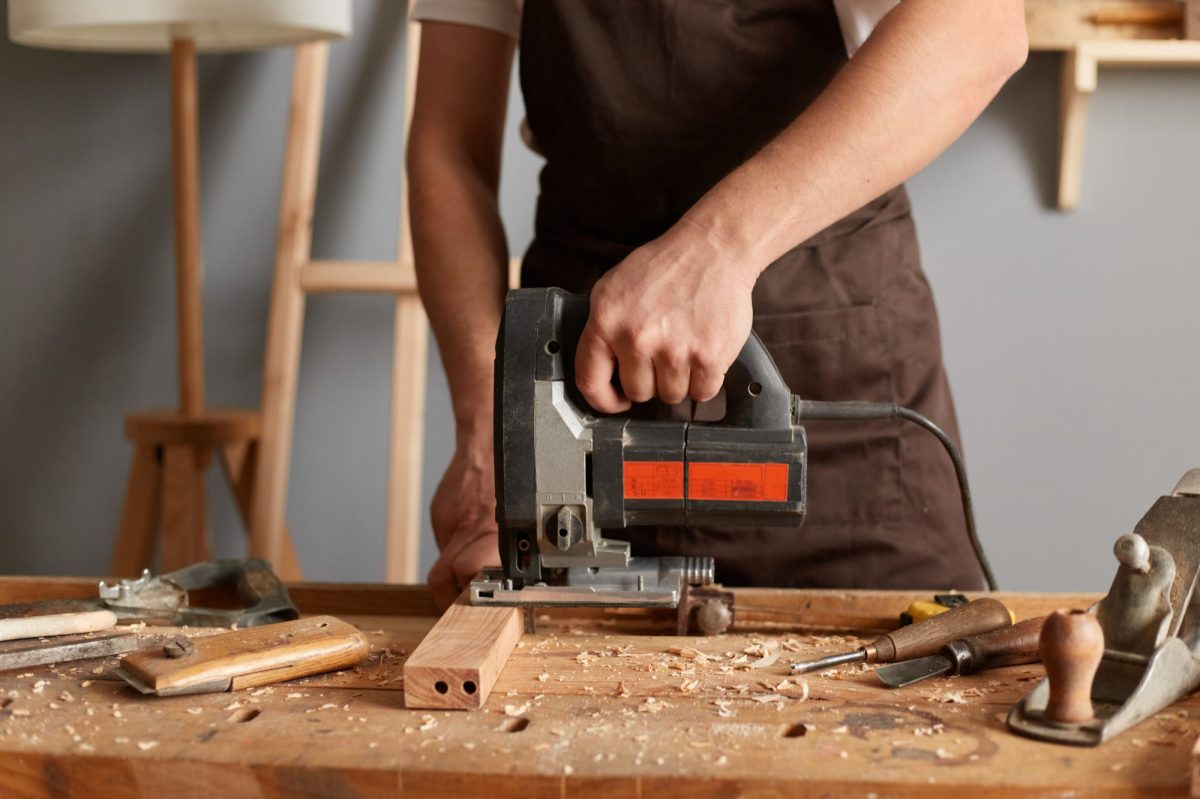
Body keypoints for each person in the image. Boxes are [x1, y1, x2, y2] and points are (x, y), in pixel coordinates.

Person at [407, 0, 1029, 609]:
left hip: (839, 391)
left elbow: (979, 24)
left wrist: (719, 248)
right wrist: (496, 434)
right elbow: (448, 149)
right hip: (578, 411)